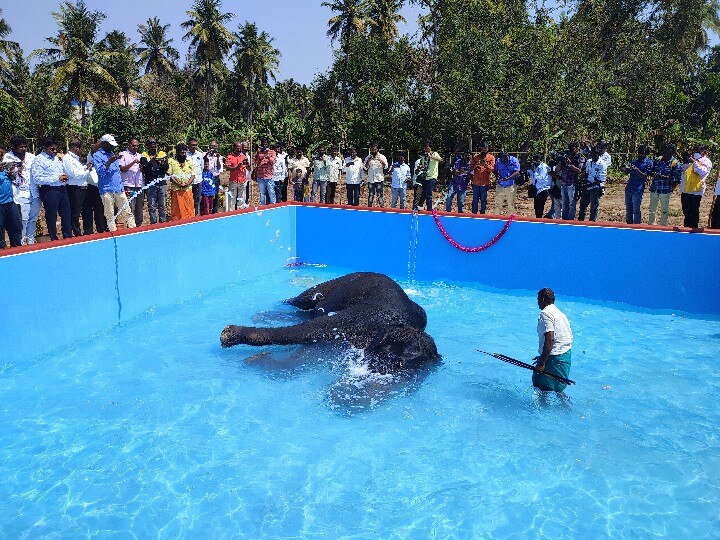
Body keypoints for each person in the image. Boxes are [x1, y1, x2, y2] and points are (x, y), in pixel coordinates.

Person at [533, 288, 573, 393]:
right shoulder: (561, 314)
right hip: (565, 356)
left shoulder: (545, 313)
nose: (537, 303)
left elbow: (550, 339)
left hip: (554, 358)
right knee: (559, 390)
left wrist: (542, 362)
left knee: (539, 386)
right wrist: (543, 355)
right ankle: (567, 409)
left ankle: (540, 409)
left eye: (538, 300)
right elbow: (561, 338)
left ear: (542, 299)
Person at [31, 137, 72, 240]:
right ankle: (53, 238)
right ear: (44, 148)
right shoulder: (38, 160)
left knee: (66, 213)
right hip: (49, 190)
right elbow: (37, 179)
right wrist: (57, 178)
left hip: (61, 189)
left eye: (55, 149)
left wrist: (64, 177)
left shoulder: (55, 158)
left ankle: (68, 236)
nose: (54, 151)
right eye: (52, 149)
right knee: (51, 215)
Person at [94, 134, 136, 232]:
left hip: (118, 188)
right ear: (104, 144)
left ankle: (133, 230)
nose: (112, 147)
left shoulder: (112, 153)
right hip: (106, 189)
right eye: (110, 145)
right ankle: (113, 233)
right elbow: (100, 172)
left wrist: (121, 186)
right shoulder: (97, 155)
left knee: (127, 210)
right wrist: (108, 162)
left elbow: (116, 171)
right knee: (110, 214)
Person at [3, 135, 39, 244]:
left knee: (33, 219)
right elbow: (7, 176)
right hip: (19, 193)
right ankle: (22, 242)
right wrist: (15, 170)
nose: (23, 149)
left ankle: (31, 240)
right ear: (13, 147)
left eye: (25, 146)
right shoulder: (7, 158)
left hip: (34, 192)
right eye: (20, 147)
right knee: (23, 220)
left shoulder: (31, 157)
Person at [63, 140, 94, 236]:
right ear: (74, 148)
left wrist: (85, 167)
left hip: (83, 188)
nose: (80, 150)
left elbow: (79, 170)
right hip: (74, 188)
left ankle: (88, 231)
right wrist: (87, 170)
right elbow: (75, 175)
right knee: (75, 212)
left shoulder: (76, 159)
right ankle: (76, 233)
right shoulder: (67, 158)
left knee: (86, 211)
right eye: (79, 148)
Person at [680, 144, 712, 228]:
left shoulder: (706, 161)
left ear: (704, 152)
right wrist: (686, 162)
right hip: (685, 189)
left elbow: (701, 171)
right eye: (695, 151)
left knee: (693, 212)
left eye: (698, 151)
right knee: (686, 212)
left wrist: (694, 161)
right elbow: (683, 171)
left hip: (695, 191)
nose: (696, 153)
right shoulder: (692, 160)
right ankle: (686, 229)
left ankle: (693, 230)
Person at [140, 138, 170, 224]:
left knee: (162, 205)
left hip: (161, 183)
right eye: (151, 143)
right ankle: (153, 223)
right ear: (147, 145)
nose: (153, 145)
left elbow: (166, 167)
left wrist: (159, 162)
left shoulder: (162, 153)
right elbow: (146, 168)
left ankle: (162, 222)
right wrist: (155, 160)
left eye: (154, 143)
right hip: (150, 184)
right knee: (152, 206)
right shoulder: (144, 155)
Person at [623, 145, 654, 224]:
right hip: (629, 187)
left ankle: (637, 226)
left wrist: (637, 170)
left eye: (642, 153)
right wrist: (624, 169)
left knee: (636, 209)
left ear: (645, 153)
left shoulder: (648, 163)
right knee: (628, 208)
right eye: (639, 153)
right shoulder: (634, 161)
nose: (640, 155)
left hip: (638, 188)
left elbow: (644, 177)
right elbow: (627, 172)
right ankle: (629, 225)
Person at [119, 137, 145, 227]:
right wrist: (133, 162)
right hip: (128, 185)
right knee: (130, 208)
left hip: (139, 185)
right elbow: (122, 169)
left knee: (139, 208)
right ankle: (131, 227)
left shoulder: (140, 155)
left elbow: (144, 170)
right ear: (129, 145)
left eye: (137, 146)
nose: (136, 148)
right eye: (134, 146)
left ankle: (138, 226)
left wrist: (143, 167)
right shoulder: (123, 155)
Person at [578, 147, 607, 222]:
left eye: (594, 155)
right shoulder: (589, 161)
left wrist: (588, 186)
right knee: (582, 205)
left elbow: (600, 180)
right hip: (587, 185)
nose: (592, 156)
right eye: (591, 155)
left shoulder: (602, 164)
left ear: (598, 155)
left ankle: (592, 222)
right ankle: (580, 221)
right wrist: (582, 181)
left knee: (593, 206)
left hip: (596, 187)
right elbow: (587, 173)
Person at [168, 143, 195, 220]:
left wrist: (188, 183)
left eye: (184, 152)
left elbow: (193, 175)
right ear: (177, 152)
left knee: (188, 210)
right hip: (176, 191)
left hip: (187, 190)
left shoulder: (189, 162)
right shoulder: (171, 162)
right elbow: (170, 175)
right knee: (177, 211)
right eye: (181, 152)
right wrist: (178, 184)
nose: (183, 154)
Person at [559, 142, 585, 220]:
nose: (570, 149)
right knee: (564, 203)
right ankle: (564, 219)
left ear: (577, 148)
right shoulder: (567, 156)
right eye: (569, 147)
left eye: (572, 148)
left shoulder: (580, 157)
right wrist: (561, 161)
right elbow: (558, 169)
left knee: (572, 204)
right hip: (564, 182)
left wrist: (570, 164)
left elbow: (579, 170)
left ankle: (570, 220)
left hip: (572, 183)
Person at [0, 161, 22, 248]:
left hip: (10, 202)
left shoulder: (5, 171)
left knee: (16, 225)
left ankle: (17, 248)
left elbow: (17, 182)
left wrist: (14, 173)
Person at [469, 141, 494, 214]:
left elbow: (492, 169)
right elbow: (470, 168)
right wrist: (477, 164)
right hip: (476, 182)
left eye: (485, 148)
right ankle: (474, 214)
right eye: (482, 148)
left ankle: (482, 214)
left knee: (483, 200)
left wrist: (485, 164)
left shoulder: (491, 157)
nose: (484, 149)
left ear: (488, 148)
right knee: (475, 199)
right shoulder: (475, 157)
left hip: (484, 182)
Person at [224, 142, 250, 211]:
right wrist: (236, 167)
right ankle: (232, 212)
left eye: (240, 148)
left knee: (241, 198)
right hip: (233, 180)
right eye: (237, 148)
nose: (239, 150)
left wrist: (248, 165)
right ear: (234, 148)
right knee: (232, 197)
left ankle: (240, 211)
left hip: (242, 180)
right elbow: (227, 168)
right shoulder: (230, 157)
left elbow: (249, 169)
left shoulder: (244, 157)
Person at [494, 150, 521, 214]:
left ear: (507, 156)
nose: (503, 159)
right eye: (501, 158)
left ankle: (510, 220)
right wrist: (497, 177)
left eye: (504, 158)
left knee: (510, 204)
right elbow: (495, 170)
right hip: (500, 185)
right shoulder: (498, 161)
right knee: (498, 204)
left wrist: (509, 178)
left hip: (510, 185)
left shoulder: (514, 160)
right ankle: (496, 219)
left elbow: (517, 172)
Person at [418, 142, 442, 211]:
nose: (425, 149)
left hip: (432, 177)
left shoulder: (435, 153)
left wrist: (431, 156)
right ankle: (420, 207)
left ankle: (429, 210)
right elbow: (423, 165)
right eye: (425, 148)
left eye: (427, 148)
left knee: (428, 194)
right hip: (425, 177)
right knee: (423, 193)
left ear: (430, 148)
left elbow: (440, 159)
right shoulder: (424, 156)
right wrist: (420, 167)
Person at [527, 154, 553, 218]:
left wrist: (534, 171)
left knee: (540, 206)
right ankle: (538, 219)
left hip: (543, 189)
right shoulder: (534, 167)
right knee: (536, 206)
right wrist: (529, 169)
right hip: (536, 189)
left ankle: (540, 220)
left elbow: (541, 178)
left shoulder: (544, 167)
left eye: (536, 161)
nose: (535, 163)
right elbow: (531, 177)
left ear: (540, 161)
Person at [253, 137, 277, 205]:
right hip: (260, 176)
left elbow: (273, 162)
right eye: (263, 144)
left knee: (271, 192)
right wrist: (258, 153)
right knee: (262, 193)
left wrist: (268, 157)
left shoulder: (272, 152)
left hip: (269, 177)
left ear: (268, 145)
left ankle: (273, 205)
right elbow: (256, 162)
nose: (264, 146)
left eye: (266, 144)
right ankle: (263, 206)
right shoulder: (259, 152)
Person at [187, 139, 205, 215]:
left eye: (195, 145)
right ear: (188, 145)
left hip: (198, 180)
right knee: (188, 200)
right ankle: (189, 215)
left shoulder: (199, 154)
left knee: (197, 200)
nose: (194, 146)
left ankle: (196, 215)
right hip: (188, 181)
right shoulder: (185, 154)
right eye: (192, 145)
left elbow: (202, 167)